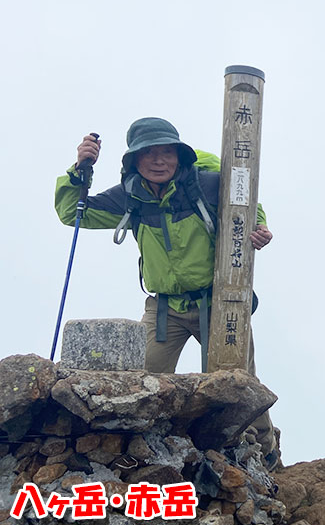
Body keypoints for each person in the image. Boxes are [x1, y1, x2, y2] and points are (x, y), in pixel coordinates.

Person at [54, 117, 279, 467]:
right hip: (164, 309)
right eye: (149, 154)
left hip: (218, 304)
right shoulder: (130, 196)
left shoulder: (205, 185)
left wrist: (258, 227)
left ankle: (266, 455)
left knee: (240, 385)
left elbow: (246, 204)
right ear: (134, 161)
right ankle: (145, 454)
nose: (159, 161)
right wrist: (79, 170)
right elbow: (73, 213)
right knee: (142, 383)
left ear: (180, 156)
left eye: (167, 153)